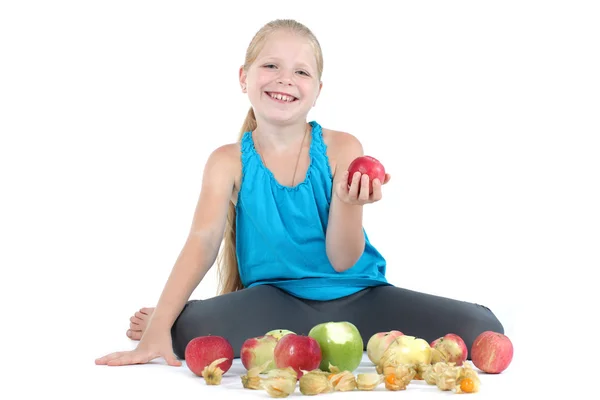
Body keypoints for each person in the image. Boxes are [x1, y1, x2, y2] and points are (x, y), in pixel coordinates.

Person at [95, 19, 504, 368]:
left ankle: (310, 339)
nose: (285, 79)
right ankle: (195, 319)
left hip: (361, 298)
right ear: (244, 77)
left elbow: (343, 260)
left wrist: (347, 203)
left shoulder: (343, 147)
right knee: (186, 331)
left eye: (301, 72)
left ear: (318, 89)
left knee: (484, 330)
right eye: (271, 65)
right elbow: (202, 242)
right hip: (275, 300)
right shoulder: (227, 160)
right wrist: (163, 326)